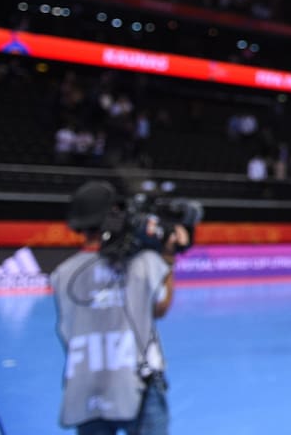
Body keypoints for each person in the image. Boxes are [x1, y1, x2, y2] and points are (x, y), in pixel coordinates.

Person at [51, 181, 188, 434]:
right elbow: (161, 307)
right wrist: (167, 254)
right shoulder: (143, 263)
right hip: (139, 384)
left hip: (85, 385)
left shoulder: (62, 274)